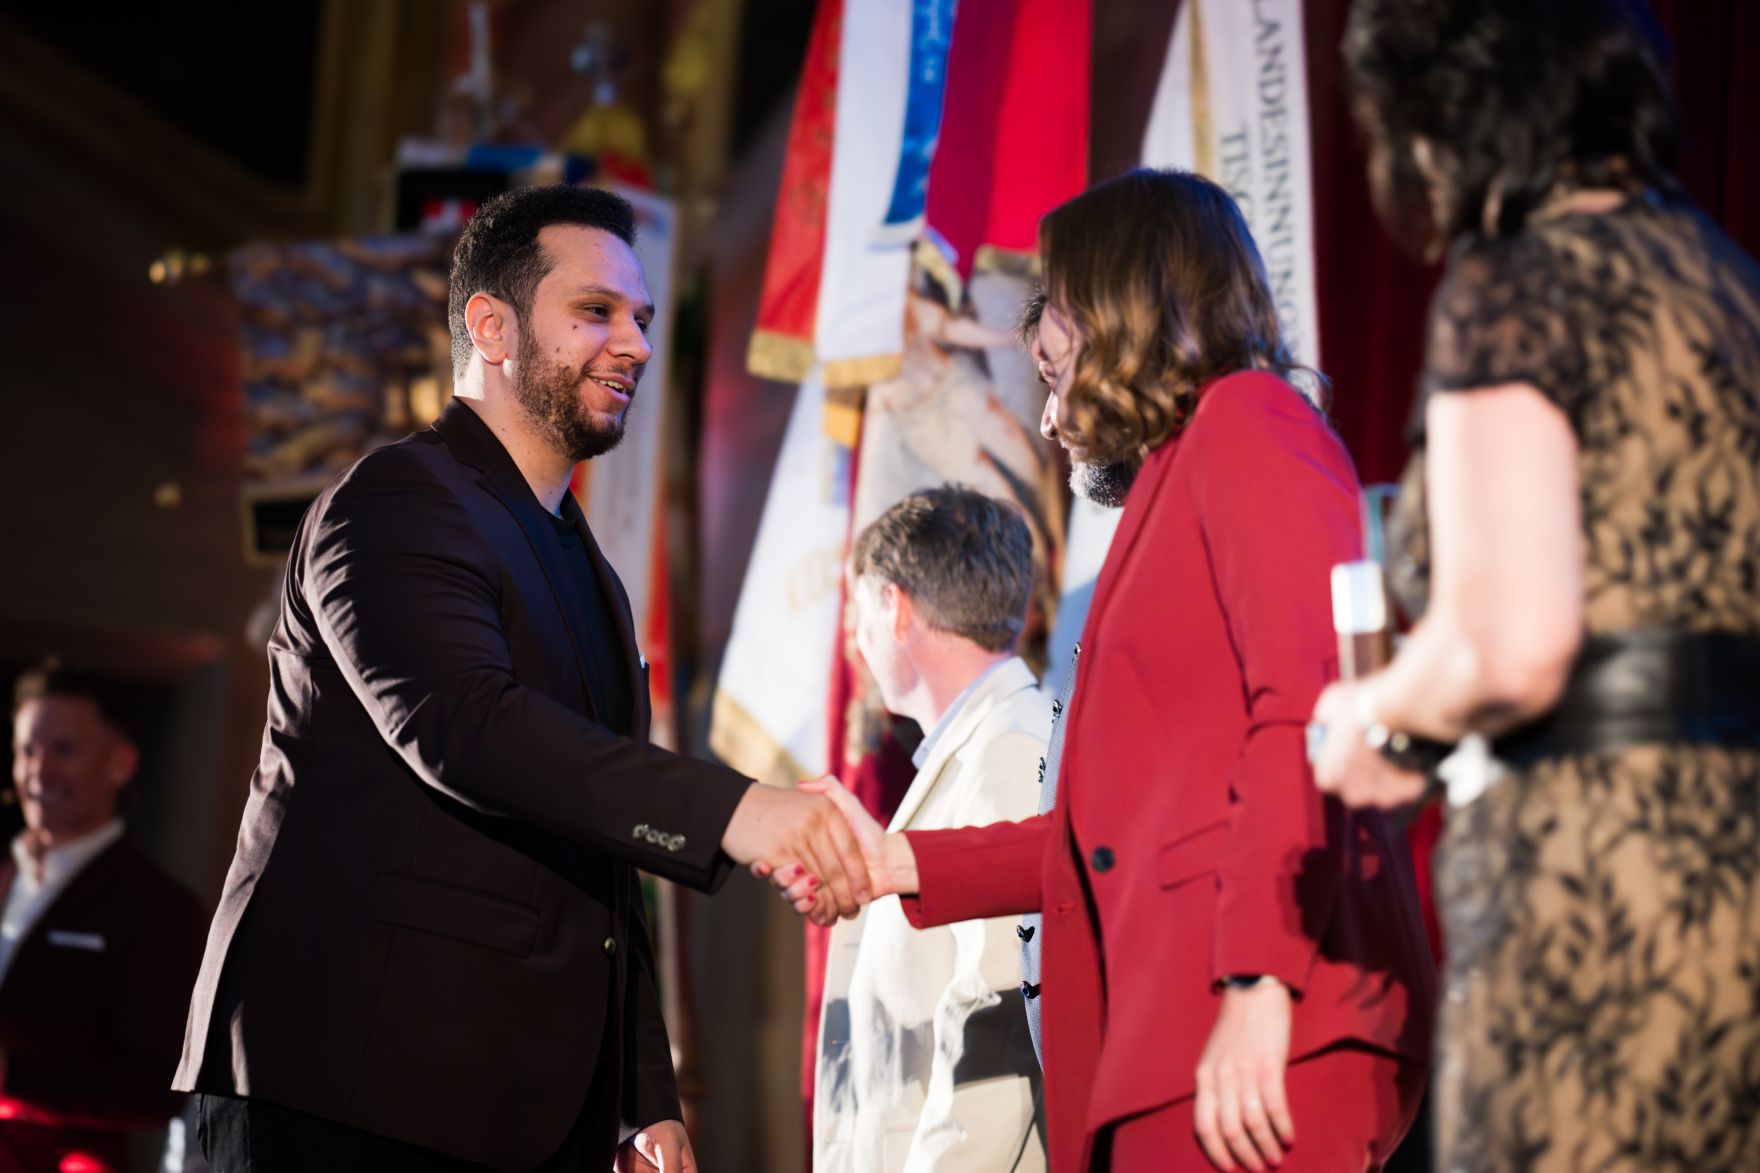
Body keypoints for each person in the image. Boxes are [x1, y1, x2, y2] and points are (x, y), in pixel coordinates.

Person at [174, 184, 869, 1173]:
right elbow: (462, 726)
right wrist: (733, 812)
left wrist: (638, 1096)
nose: (631, 342)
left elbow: (600, 855)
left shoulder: (591, 572)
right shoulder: (397, 497)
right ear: (490, 327)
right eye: (595, 312)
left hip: (517, 1109)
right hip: (341, 1084)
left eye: (641, 318)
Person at [784, 169, 1437, 1172]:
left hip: (1249, 1034)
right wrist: (893, 866)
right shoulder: (1182, 474)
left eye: (1051, 371)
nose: (1047, 424)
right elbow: (1107, 835)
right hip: (1171, 1044)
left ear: (1117, 309)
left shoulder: (1251, 426)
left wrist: (1260, 986)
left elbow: (1304, 714)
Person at [1313, 2, 1760, 1169]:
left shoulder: (1516, 283)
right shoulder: (1726, 284)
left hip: (1593, 886)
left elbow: (1506, 644)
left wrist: (1369, 713)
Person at [812, 486, 1048, 1173]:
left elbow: (994, 1022)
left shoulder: (1011, 746)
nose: (857, 642)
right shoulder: (973, 746)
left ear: (894, 604)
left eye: (860, 613)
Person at [2, 663, 207, 1173]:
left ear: (120, 764)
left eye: (64, 750)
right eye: (27, 750)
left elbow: (155, 1087)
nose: (39, 771)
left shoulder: (161, 908)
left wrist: (11, 1076)